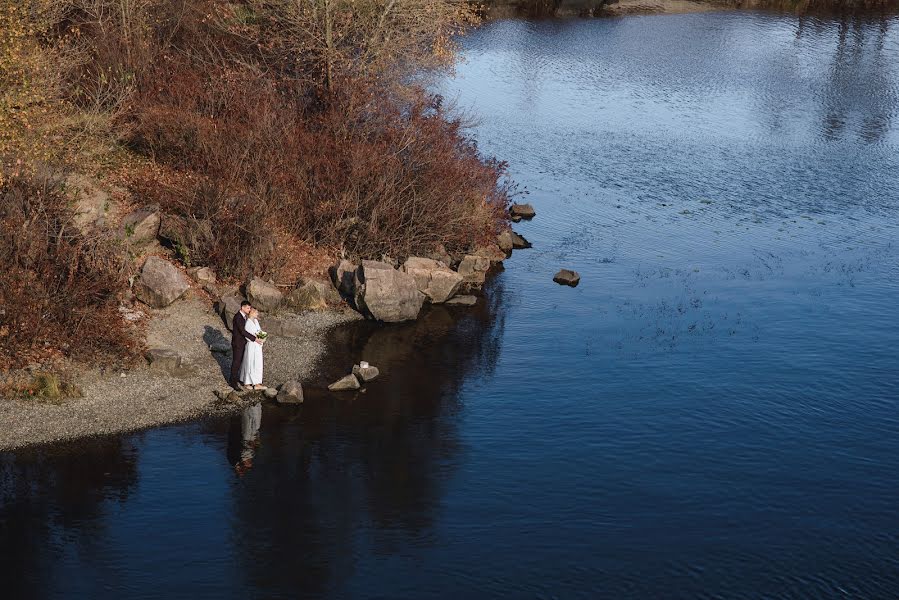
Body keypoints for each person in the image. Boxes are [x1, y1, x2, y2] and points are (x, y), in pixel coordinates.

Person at [230, 300, 261, 390]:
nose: (249, 309)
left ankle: (240, 379)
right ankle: (233, 382)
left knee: (241, 362)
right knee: (236, 362)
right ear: (242, 307)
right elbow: (242, 331)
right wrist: (254, 339)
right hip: (238, 344)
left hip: (243, 343)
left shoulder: (244, 317)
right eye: (247, 308)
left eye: (249, 308)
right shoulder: (238, 317)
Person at [239, 307, 265, 390]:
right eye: (256, 312)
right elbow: (248, 336)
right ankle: (247, 382)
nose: (257, 314)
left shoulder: (256, 321)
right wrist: (257, 338)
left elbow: (259, 331)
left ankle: (257, 383)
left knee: (257, 363)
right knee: (250, 363)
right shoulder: (248, 323)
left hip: (257, 346)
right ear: (252, 313)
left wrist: (262, 338)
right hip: (252, 345)